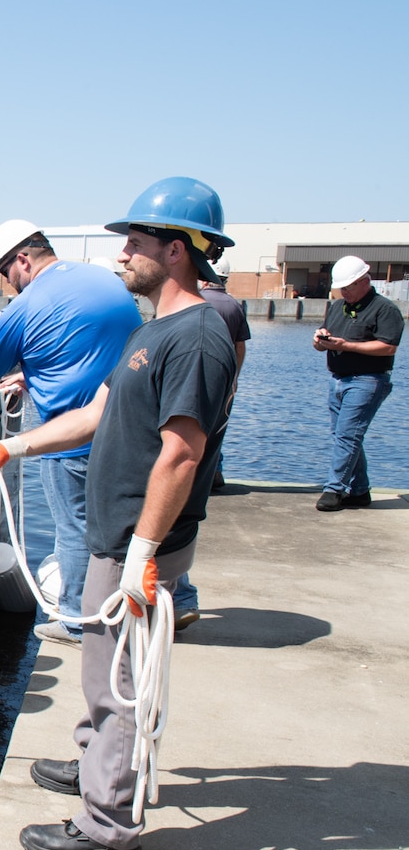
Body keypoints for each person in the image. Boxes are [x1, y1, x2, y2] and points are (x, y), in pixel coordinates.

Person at [0, 176, 239, 850]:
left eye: (136, 244)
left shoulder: (198, 336)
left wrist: (143, 549)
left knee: (115, 679)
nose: (122, 257)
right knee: (99, 670)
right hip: (119, 531)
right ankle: (96, 765)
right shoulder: (153, 330)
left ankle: (108, 826)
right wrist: (14, 444)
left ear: (177, 251)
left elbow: (181, 451)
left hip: (135, 539)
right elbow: (97, 413)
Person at [0, 220, 141, 648]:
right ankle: (167, 599)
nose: (7, 284)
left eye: (5, 272)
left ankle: (76, 621)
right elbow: (87, 349)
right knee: (128, 527)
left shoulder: (27, 305)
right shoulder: (104, 281)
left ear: (23, 258)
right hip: (129, 430)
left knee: (74, 530)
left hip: (70, 437)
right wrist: (30, 376)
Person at [171, 251, 250, 629]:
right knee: (202, 463)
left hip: (181, 410)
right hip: (217, 399)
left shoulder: (193, 310)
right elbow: (239, 352)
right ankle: (181, 596)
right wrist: (229, 387)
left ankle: (179, 596)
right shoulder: (232, 307)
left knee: (173, 501)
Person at [313, 254, 400, 512]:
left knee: (348, 435)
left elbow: (388, 347)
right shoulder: (338, 307)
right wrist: (319, 340)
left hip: (368, 380)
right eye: (342, 287)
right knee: (344, 436)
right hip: (338, 378)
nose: (345, 292)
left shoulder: (385, 309)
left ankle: (334, 489)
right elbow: (323, 337)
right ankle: (360, 490)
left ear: (365, 281)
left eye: (349, 287)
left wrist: (346, 345)